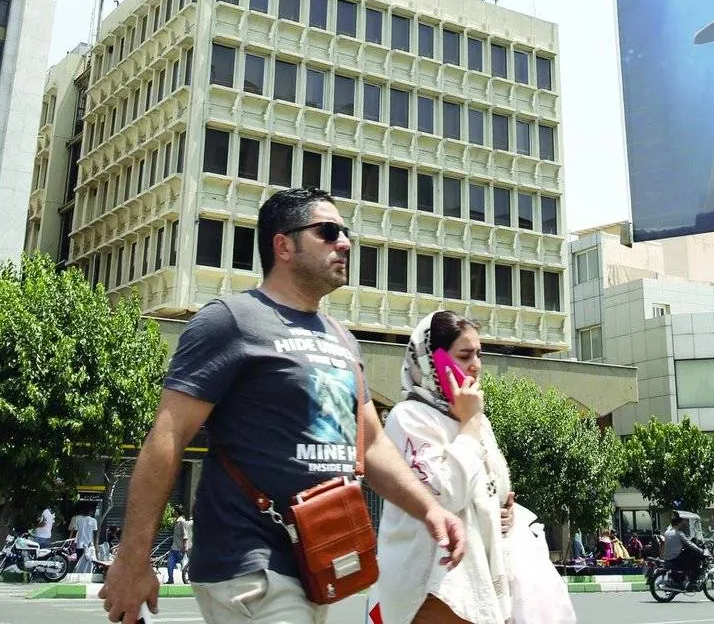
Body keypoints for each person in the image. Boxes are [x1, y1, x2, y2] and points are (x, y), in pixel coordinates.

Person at [98, 188, 466, 624]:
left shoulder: (341, 338)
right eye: (327, 232)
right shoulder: (230, 320)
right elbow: (168, 436)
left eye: (345, 233)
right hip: (248, 562)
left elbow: (370, 446)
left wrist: (430, 509)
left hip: (318, 559)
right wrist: (132, 559)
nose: (344, 243)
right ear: (283, 244)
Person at [375, 310, 515, 624]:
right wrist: (468, 426)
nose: (476, 365)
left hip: (481, 584)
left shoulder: (476, 420)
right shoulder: (409, 417)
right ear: (432, 361)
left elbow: (499, 487)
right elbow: (443, 496)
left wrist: (505, 508)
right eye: (464, 355)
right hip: (434, 588)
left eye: (479, 354)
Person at [661, 516, 703, 589]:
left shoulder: (667, 532)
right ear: (679, 524)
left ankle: (685, 579)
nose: (682, 524)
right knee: (694, 560)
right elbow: (689, 543)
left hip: (668, 557)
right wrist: (699, 549)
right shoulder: (679, 533)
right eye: (681, 523)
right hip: (675, 557)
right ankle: (693, 582)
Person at [167, 505, 192, 584]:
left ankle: (190, 578)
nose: (173, 512)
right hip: (174, 548)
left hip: (180, 550)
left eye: (174, 511)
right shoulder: (177, 521)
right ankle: (170, 580)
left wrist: (184, 549)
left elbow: (185, 536)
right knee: (169, 564)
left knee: (185, 568)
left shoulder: (182, 522)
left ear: (177, 512)